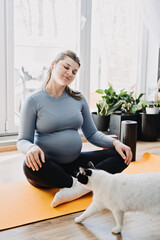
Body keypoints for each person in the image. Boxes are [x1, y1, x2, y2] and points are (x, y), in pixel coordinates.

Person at [17, 50, 132, 207]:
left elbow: (92, 134)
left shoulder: (78, 99)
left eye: (74, 71)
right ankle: (83, 183)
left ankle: (76, 187)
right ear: (53, 65)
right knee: (29, 166)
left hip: (75, 163)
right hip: (49, 165)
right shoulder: (33, 101)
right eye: (66, 67)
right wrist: (31, 148)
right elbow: (23, 140)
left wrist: (115, 144)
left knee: (121, 154)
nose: (69, 73)